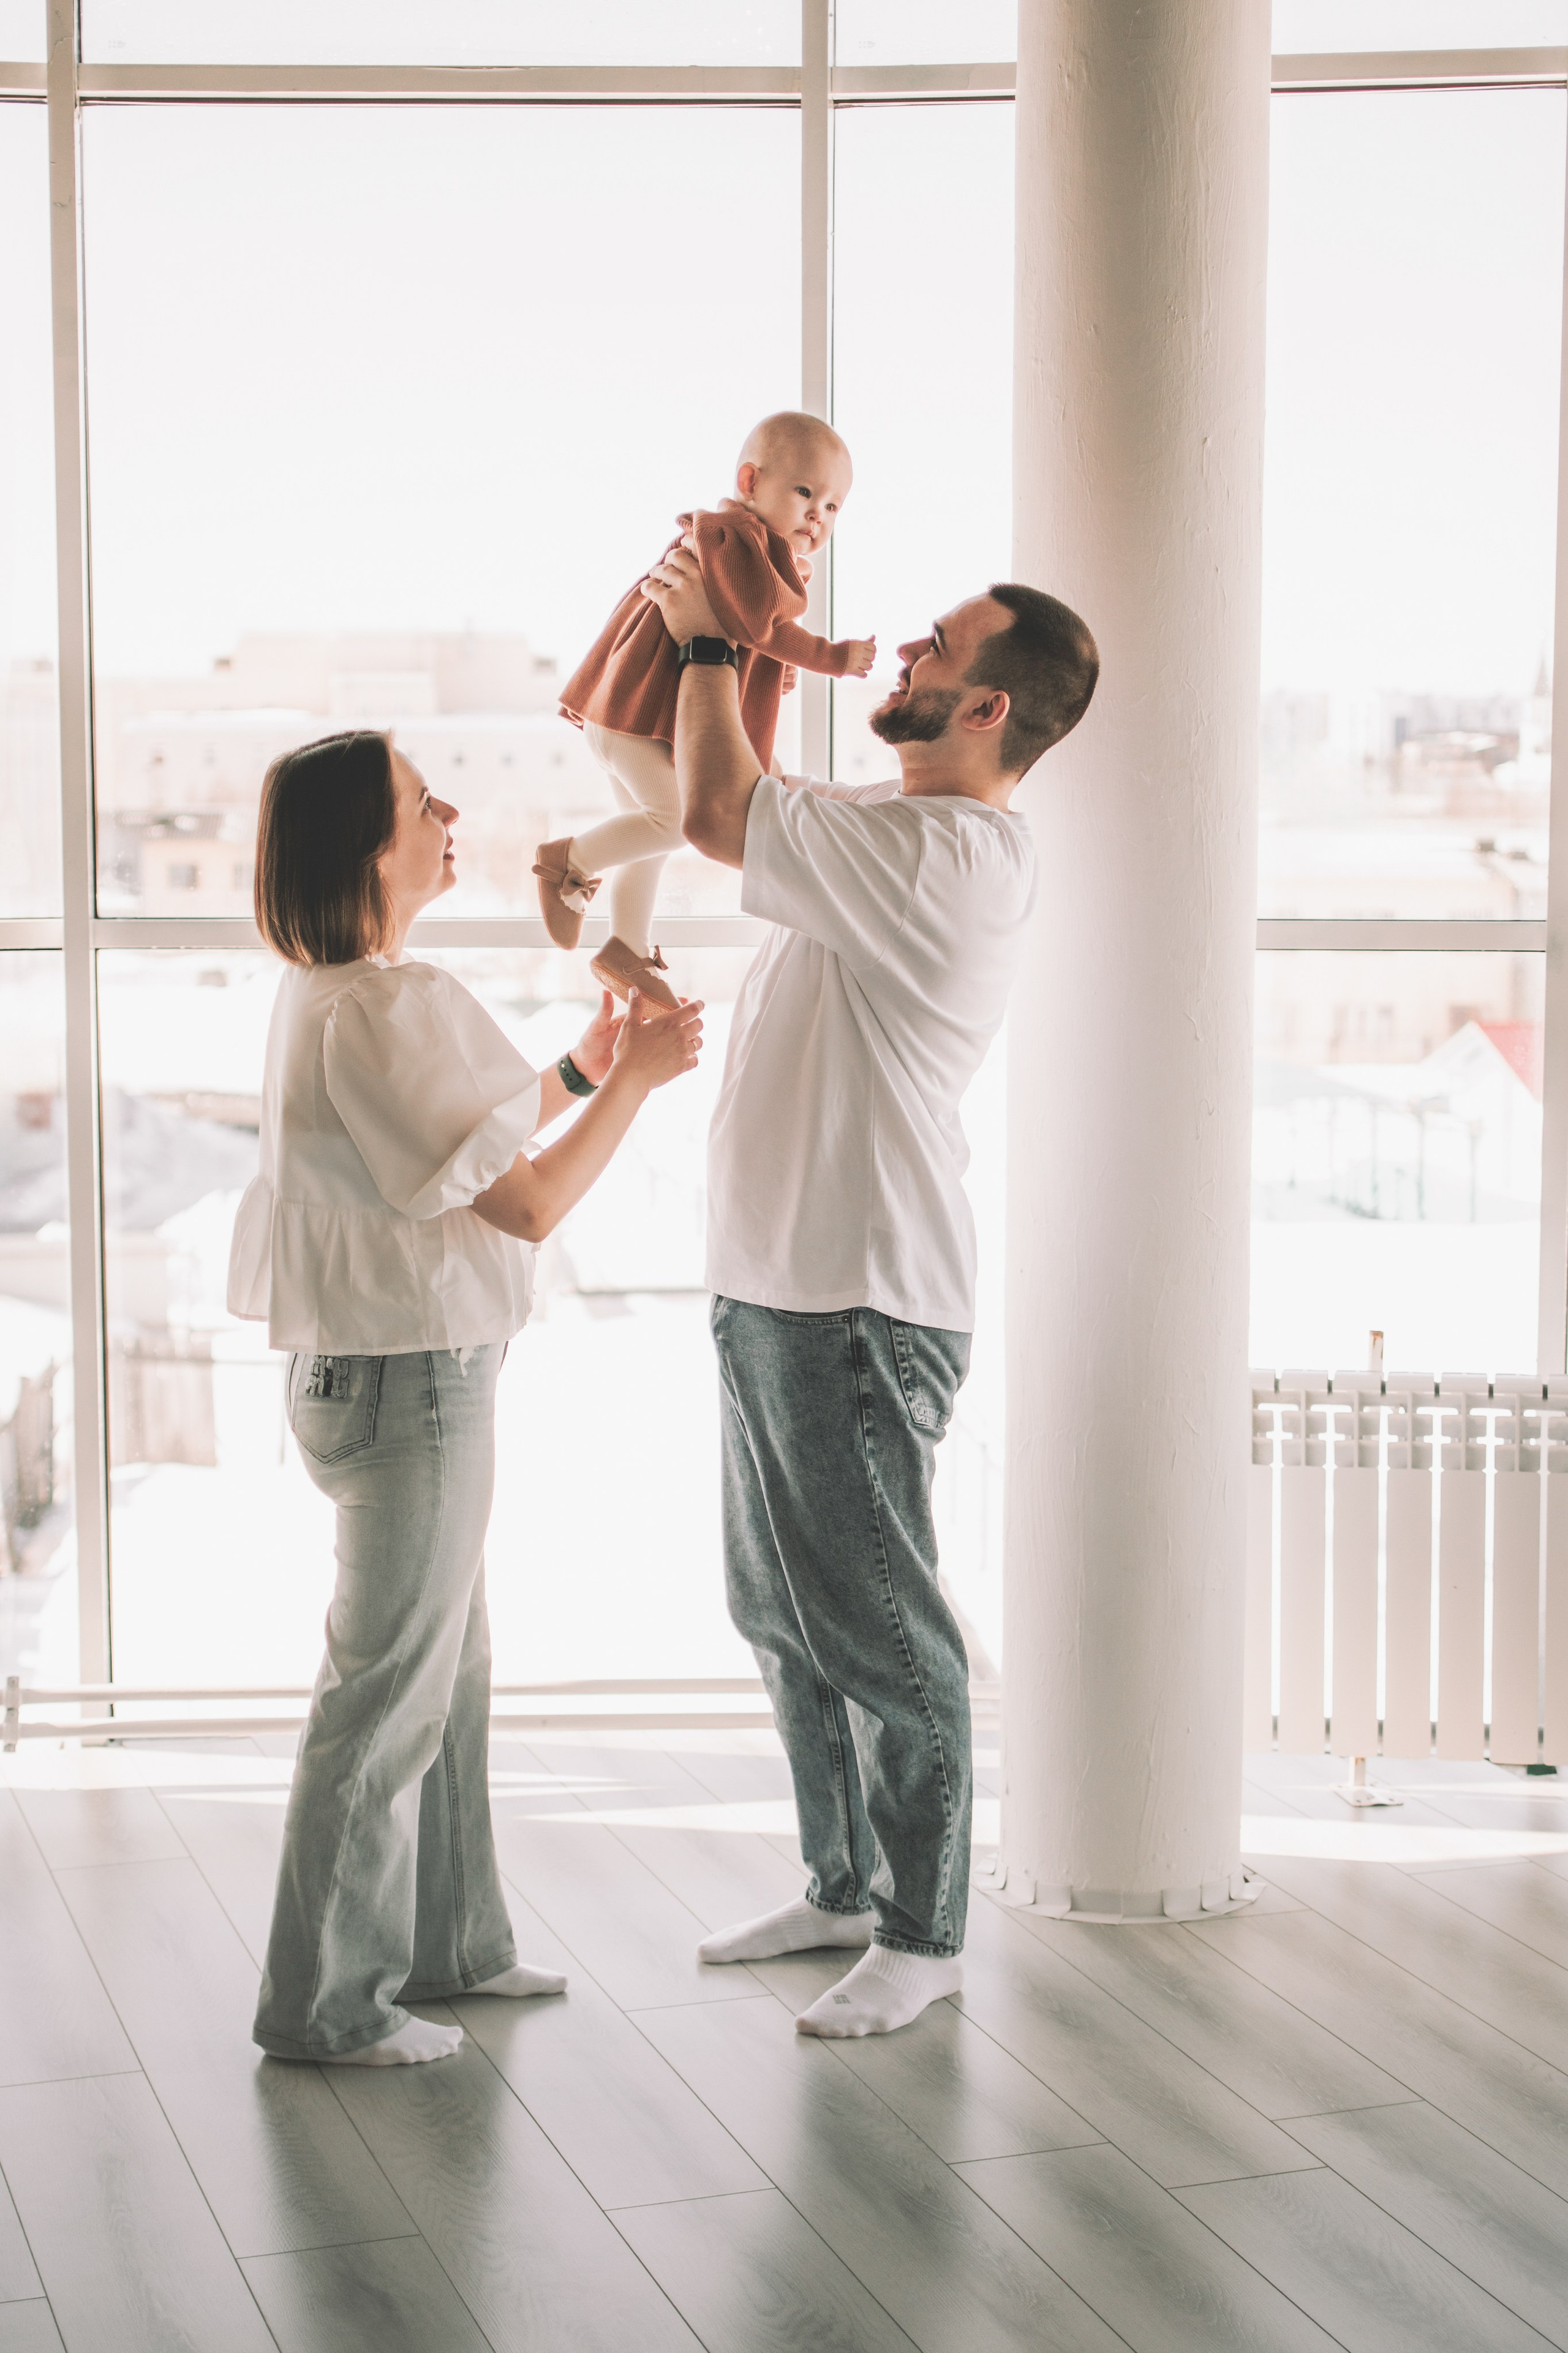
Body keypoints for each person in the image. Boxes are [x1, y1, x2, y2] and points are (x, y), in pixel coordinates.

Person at [640, 549, 1098, 2039]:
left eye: (933, 645)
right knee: (777, 1609)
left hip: (853, 1301)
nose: (898, 648)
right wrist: (738, 648)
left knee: (884, 1633)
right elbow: (712, 792)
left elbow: (720, 807)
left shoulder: (951, 857)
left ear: (980, 704)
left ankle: (923, 1929)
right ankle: (840, 1881)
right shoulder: (883, 833)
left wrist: (721, 640)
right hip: (775, 1283)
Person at [228, 728, 703, 2066]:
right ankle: (326, 2006)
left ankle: (452, 1946)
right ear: (364, 850)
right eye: (417, 801)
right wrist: (636, 1082)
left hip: (374, 1384)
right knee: (387, 1701)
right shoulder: (381, 1002)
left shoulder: (334, 994)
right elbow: (529, 1201)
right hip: (413, 1394)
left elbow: (444, 1146)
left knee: (447, 1678)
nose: (451, 811)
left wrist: (580, 1067)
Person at [539, 412, 876, 1007]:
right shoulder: (734, 538)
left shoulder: (756, 554)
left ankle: (627, 947)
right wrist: (831, 654)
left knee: (652, 838)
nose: (817, 517)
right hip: (632, 717)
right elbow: (759, 627)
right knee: (672, 822)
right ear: (750, 482)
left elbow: (748, 654)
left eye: (833, 507)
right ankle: (569, 862)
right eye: (805, 493)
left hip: (626, 720)